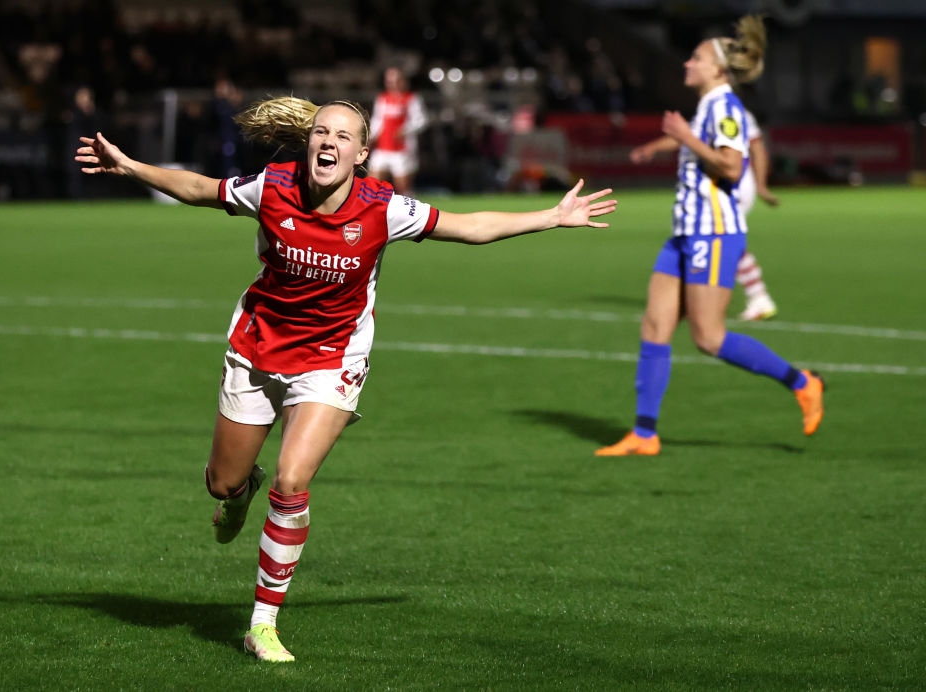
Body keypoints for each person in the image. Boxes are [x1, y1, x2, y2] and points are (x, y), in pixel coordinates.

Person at [75, 96, 617, 662]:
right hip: (258, 347)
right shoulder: (273, 186)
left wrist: (550, 217)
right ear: (308, 142)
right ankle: (239, 491)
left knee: (292, 482)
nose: (328, 142)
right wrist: (130, 166)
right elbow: (198, 188)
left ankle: (262, 625)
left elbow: (470, 226)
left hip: (332, 359)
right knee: (222, 483)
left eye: (342, 136)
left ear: (361, 154)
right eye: (320, 132)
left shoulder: (384, 208)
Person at [596, 15, 824, 457]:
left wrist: (685, 137)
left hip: (714, 234)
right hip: (685, 234)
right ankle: (644, 434)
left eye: (695, 58)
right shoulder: (707, 107)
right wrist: (673, 141)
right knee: (655, 326)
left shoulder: (726, 108)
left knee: (709, 338)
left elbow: (732, 167)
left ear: (718, 69)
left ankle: (802, 383)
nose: (687, 63)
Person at [631, 109, 780, 321]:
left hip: (730, 188)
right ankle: (750, 297)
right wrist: (653, 147)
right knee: (718, 239)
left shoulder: (727, 109)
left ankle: (755, 298)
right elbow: (686, 138)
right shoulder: (713, 108)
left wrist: (762, 185)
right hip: (722, 188)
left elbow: (756, 147)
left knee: (715, 238)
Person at [367, 67, 426, 196]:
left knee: (403, 187)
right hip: (382, 147)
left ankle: (410, 207)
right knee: (372, 184)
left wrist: (405, 130)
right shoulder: (382, 99)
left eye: (397, 81)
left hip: (402, 150)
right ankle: (375, 207)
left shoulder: (411, 99)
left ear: (404, 81)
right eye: (390, 81)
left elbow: (421, 121)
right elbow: (377, 121)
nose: (393, 84)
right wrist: (370, 137)